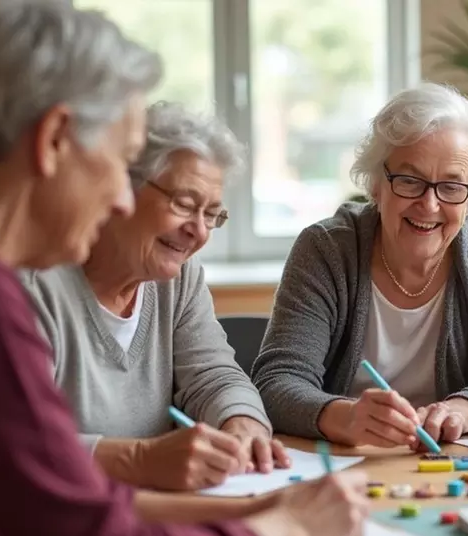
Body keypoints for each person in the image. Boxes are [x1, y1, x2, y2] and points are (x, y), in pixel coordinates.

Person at [0, 3, 367, 536]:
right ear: (54, 139)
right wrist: (290, 535)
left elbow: (67, 510)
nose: (118, 197)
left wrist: (256, 509)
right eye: (116, 162)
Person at [253, 82, 468, 448]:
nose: (429, 205)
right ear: (377, 184)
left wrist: (463, 409)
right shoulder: (326, 249)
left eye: (452, 187)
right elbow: (277, 380)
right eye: (410, 181)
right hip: (345, 464)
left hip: (452, 463)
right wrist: (345, 416)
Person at [20, 100, 290, 492]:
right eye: (184, 204)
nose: (198, 231)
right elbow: (16, 447)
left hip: (156, 509)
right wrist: (137, 460)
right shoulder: (34, 284)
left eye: (212, 214)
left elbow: (213, 376)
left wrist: (241, 422)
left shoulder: (179, 278)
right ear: (123, 188)